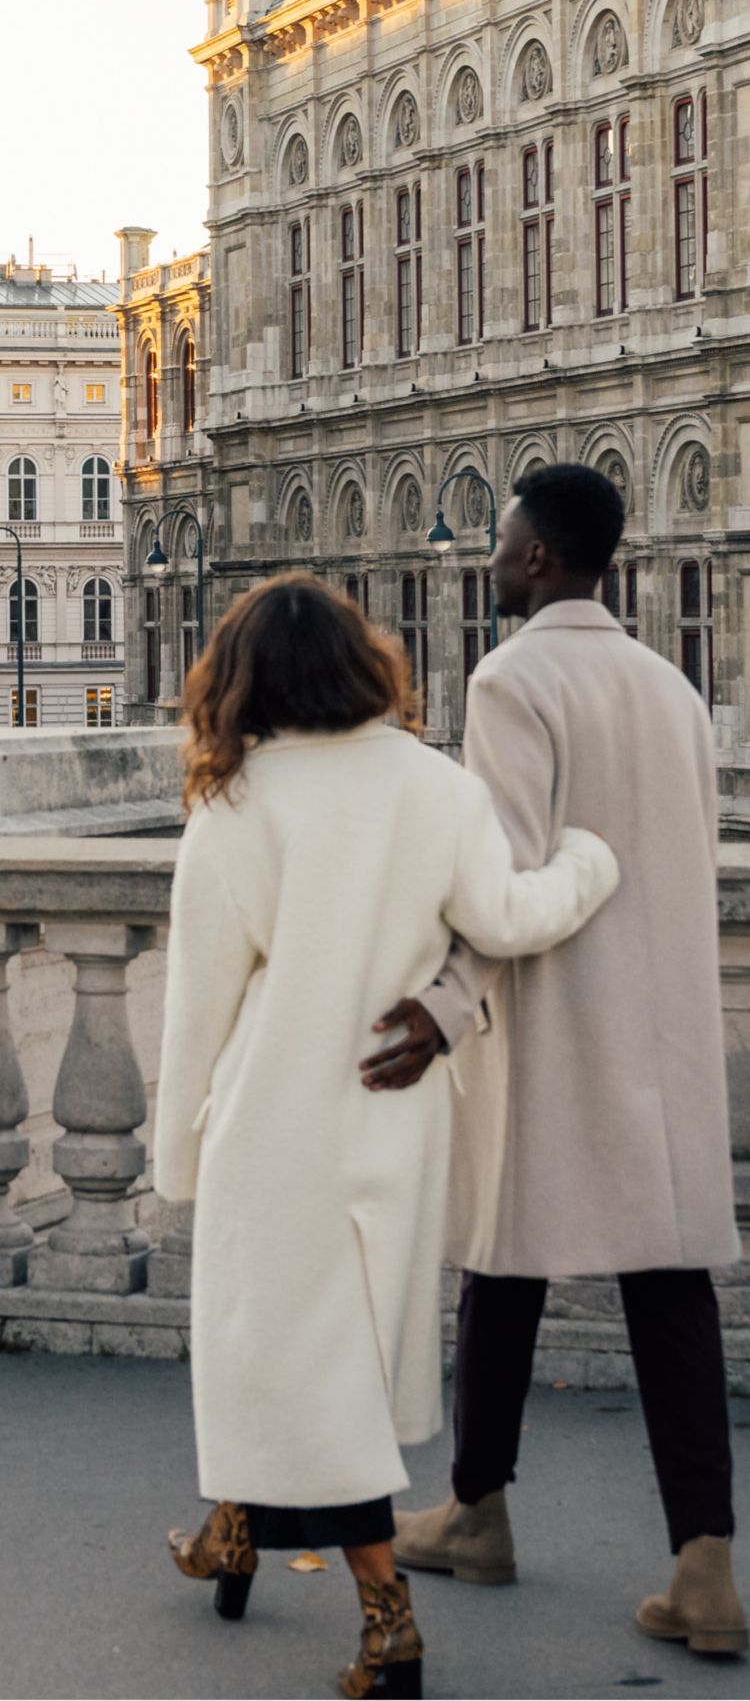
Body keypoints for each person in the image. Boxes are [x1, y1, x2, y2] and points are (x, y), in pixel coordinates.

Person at [154, 572, 618, 1699]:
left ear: (241, 674)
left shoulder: (238, 805)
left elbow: (198, 1007)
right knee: (342, 1356)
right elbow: (506, 920)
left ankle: (388, 1622)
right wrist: (590, 864)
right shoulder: (432, 784)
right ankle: (230, 1530)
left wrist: (174, 1156)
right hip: (393, 1112)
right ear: (366, 663)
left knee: (278, 1356)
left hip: (275, 1123)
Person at [362, 463, 747, 1659]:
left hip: (555, 1027)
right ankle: (707, 1570)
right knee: (669, 1287)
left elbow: (509, 878)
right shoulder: (671, 688)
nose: (486, 555)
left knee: (504, 1269)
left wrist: (442, 1006)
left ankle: (479, 1513)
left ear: (538, 559)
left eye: (499, 536)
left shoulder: (511, 676)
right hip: (668, 1031)